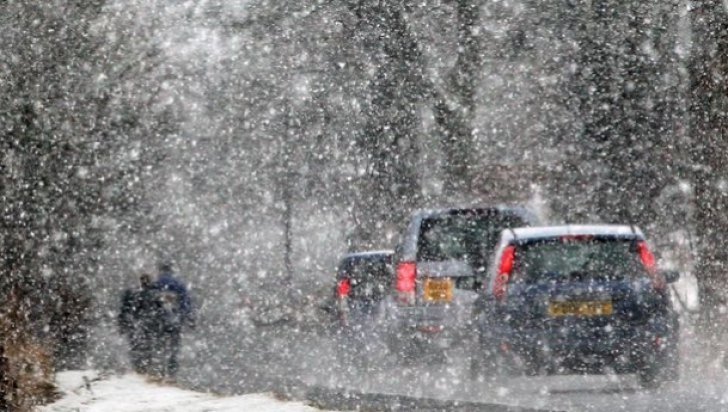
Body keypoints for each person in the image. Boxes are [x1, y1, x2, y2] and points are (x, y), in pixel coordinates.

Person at [152, 262, 194, 379]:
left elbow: (149, 302)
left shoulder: (155, 284)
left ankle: (158, 368)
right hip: (175, 319)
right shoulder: (178, 285)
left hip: (158, 319)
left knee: (158, 344)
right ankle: (171, 371)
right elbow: (186, 303)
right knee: (174, 346)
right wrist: (189, 318)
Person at [118, 273, 160, 374]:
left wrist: (122, 323)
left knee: (136, 345)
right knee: (147, 346)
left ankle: (138, 367)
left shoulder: (132, 292)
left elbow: (124, 309)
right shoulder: (154, 293)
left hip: (135, 323)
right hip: (148, 323)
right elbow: (159, 309)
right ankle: (145, 367)